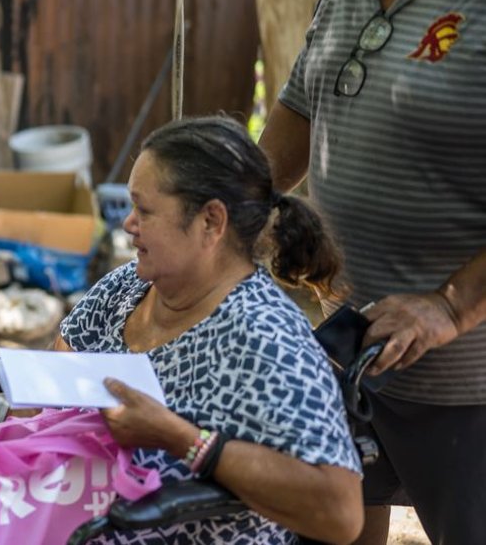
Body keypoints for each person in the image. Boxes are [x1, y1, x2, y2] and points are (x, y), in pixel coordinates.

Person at [259, 0, 486, 542]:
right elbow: (303, 100)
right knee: (329, 526)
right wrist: (230, 211)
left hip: (468, 390)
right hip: (354, 352)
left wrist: (450, 306)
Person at [56, 117, 363, 544]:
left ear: (210, 221)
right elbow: (46, 386)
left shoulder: (265, 337)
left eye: (144, 210)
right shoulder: (126, 286)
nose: (128, 223)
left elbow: (341, 514)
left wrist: (181, 439)